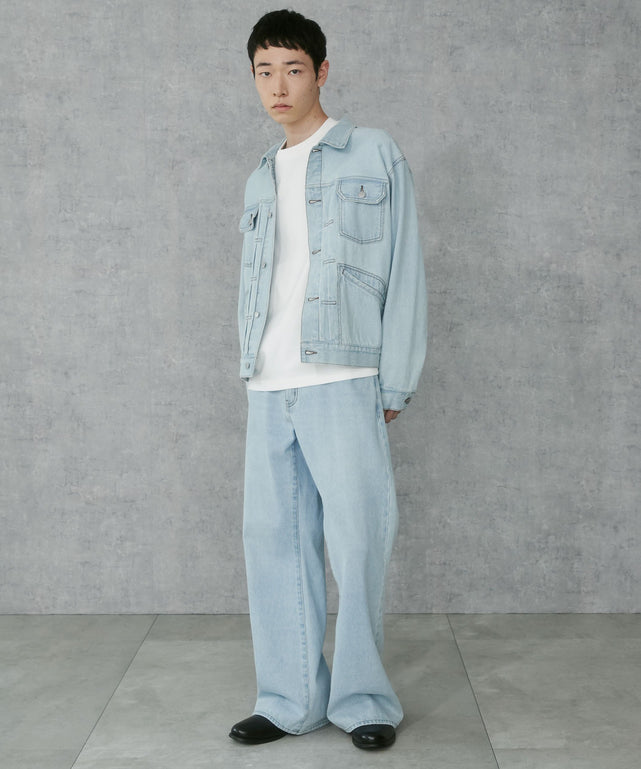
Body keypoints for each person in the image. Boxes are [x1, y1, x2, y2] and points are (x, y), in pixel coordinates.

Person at [229, 9, 427, 751]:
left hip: (343, 372)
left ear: (320, 72)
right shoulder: (259, 175)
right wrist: (250, 361)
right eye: (264, 71)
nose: (277, 86)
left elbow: (405, 268)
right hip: (268, 380)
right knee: (274, 542)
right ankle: (289, 701)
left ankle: (364, 699)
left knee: (357, 541)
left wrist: (394, 379)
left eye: (292, 69)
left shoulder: (372, 152)